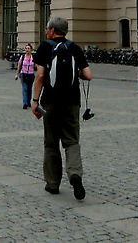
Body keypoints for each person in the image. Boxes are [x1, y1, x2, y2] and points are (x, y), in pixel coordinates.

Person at [31, 16, 92, 200]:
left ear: (51, 30)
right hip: (72, 102)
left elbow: (40, 76)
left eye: (47, 28)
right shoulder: (74, 48)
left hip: (50, 102)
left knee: (51, 143)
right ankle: (75, 174)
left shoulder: (45, 46)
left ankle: (52, 183)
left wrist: (35, 100)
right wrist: (77, 72)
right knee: (71, 141)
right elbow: (88, 75)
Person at [15, 44, 35, 109]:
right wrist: (17, 74)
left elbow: (37, 65)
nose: (27, 50)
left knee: (29, 89)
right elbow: (19, 66)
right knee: (25, 88)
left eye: (28, 48)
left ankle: (29, 101)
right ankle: (25, 103)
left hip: (31, 75)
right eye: (26, 48)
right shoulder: (22, 57)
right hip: (23, 74)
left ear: (31, 50)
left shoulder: (33, 57)